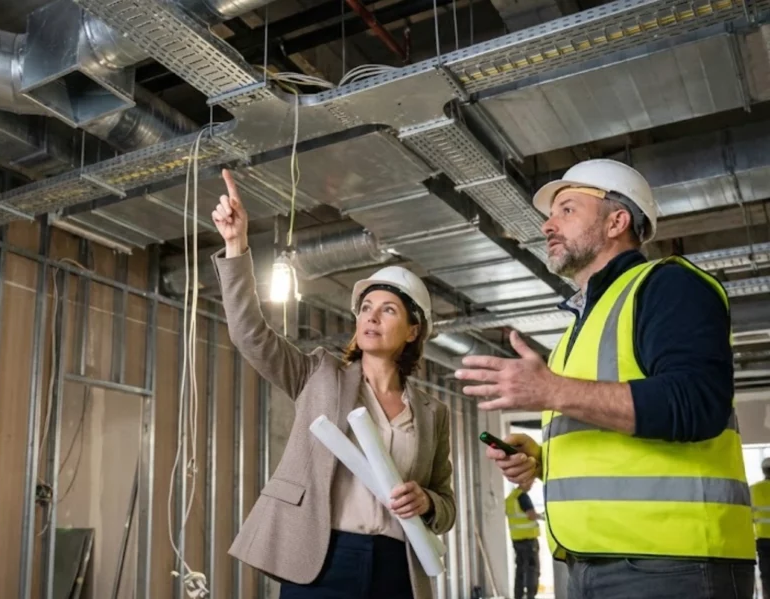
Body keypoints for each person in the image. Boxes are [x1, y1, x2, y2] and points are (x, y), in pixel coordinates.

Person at [454, 158, 755, 598]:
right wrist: (541, 461)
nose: (548, 226)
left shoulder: (668, 286)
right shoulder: (580, 327)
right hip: (588, 563)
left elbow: (697, 403)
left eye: (567, 210)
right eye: (550, 215)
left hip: (672, 565)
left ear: (617, 221)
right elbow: (611, 440)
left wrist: (551, 389)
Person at [210, 168, 456, 598]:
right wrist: (236, 245)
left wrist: (429, 503)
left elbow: (446, 503)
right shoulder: (318, 374)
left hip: (398, 568)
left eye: (389, 310)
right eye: (366, 308)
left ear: (414, 331)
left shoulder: (434, 413)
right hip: (322, 558)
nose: (372, 317)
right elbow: (249, 334)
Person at [506, 480, 542, 599]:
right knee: (532, 570)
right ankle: (531, 596)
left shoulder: (511, 497)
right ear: (524, 482)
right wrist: (542, 516)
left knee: (520, 570)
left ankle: (518, 596)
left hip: (516, 539)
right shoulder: (523, 497)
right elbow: (530, 515)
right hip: (528, 540)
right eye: (530, 482)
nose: (531, 485)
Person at [752, 458, 770, 596]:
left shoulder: (754, 490)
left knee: (767, 574)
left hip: (763, 540)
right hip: (763, 540)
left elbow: (748, 516)